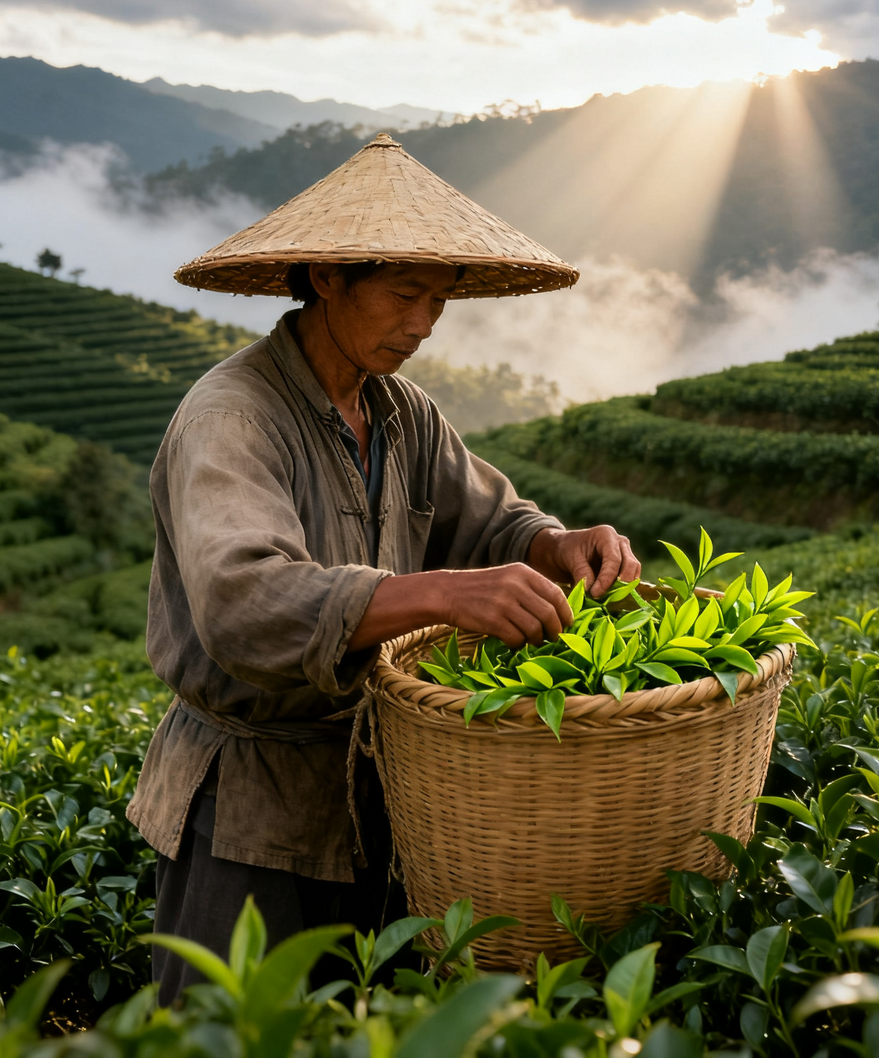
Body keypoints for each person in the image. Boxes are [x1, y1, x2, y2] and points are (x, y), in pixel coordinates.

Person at [126, 134, 640, 1004]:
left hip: (382, 795)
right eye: (405, 295)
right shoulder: (235, 417)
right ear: (327, 278)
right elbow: (242, 602)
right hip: (249, 809)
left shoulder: (402, 413)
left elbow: (491, 522)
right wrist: (441, 593)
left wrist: (556, 543)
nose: (424, 324)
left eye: (439, 301)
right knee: (226, 1029)